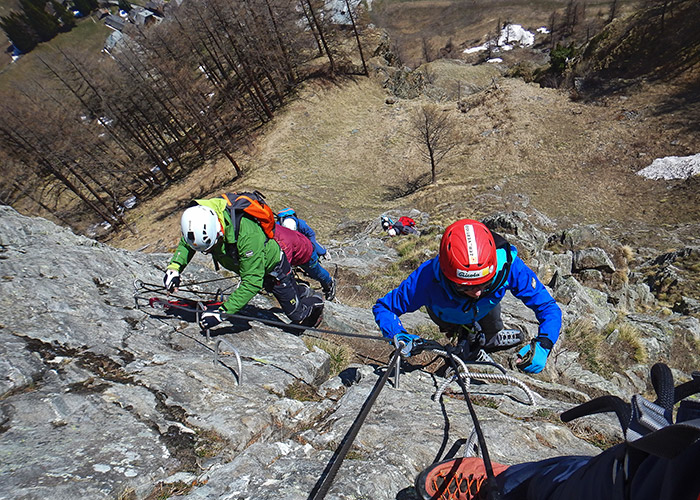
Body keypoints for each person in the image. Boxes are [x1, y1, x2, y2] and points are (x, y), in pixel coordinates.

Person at [372, 218, 562, 373]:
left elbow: (547, 307)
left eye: (484, 283)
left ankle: (490, 339)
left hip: (486, 308)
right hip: (446, 313)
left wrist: (544, 343)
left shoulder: (509, 266)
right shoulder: (426, 278)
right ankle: (470, 350)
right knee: (461, 334)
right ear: (446, 274)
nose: (477, 292)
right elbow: (384, 307)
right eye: (465, 287)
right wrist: (397, 334)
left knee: (493, 325)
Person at [163, 197, 324, 330]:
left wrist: (222, 313)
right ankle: (300, 291)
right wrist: (175, 268)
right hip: (254, 266)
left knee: (296, 314)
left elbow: (252, 282)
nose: (210, 252)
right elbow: (188, 242)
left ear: (218, 231)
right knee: (286, 293)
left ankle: (317, 301)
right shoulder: (201, 216)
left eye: (213, 246)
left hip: (274, 267)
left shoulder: (247, 235)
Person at [277, 208, 336, 301]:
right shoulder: (279, 227)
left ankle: (329, 284)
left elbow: (311, 236)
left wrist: (320, 251)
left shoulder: (301, 225)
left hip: (306, 253)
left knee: (316, 272)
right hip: (294, 252)